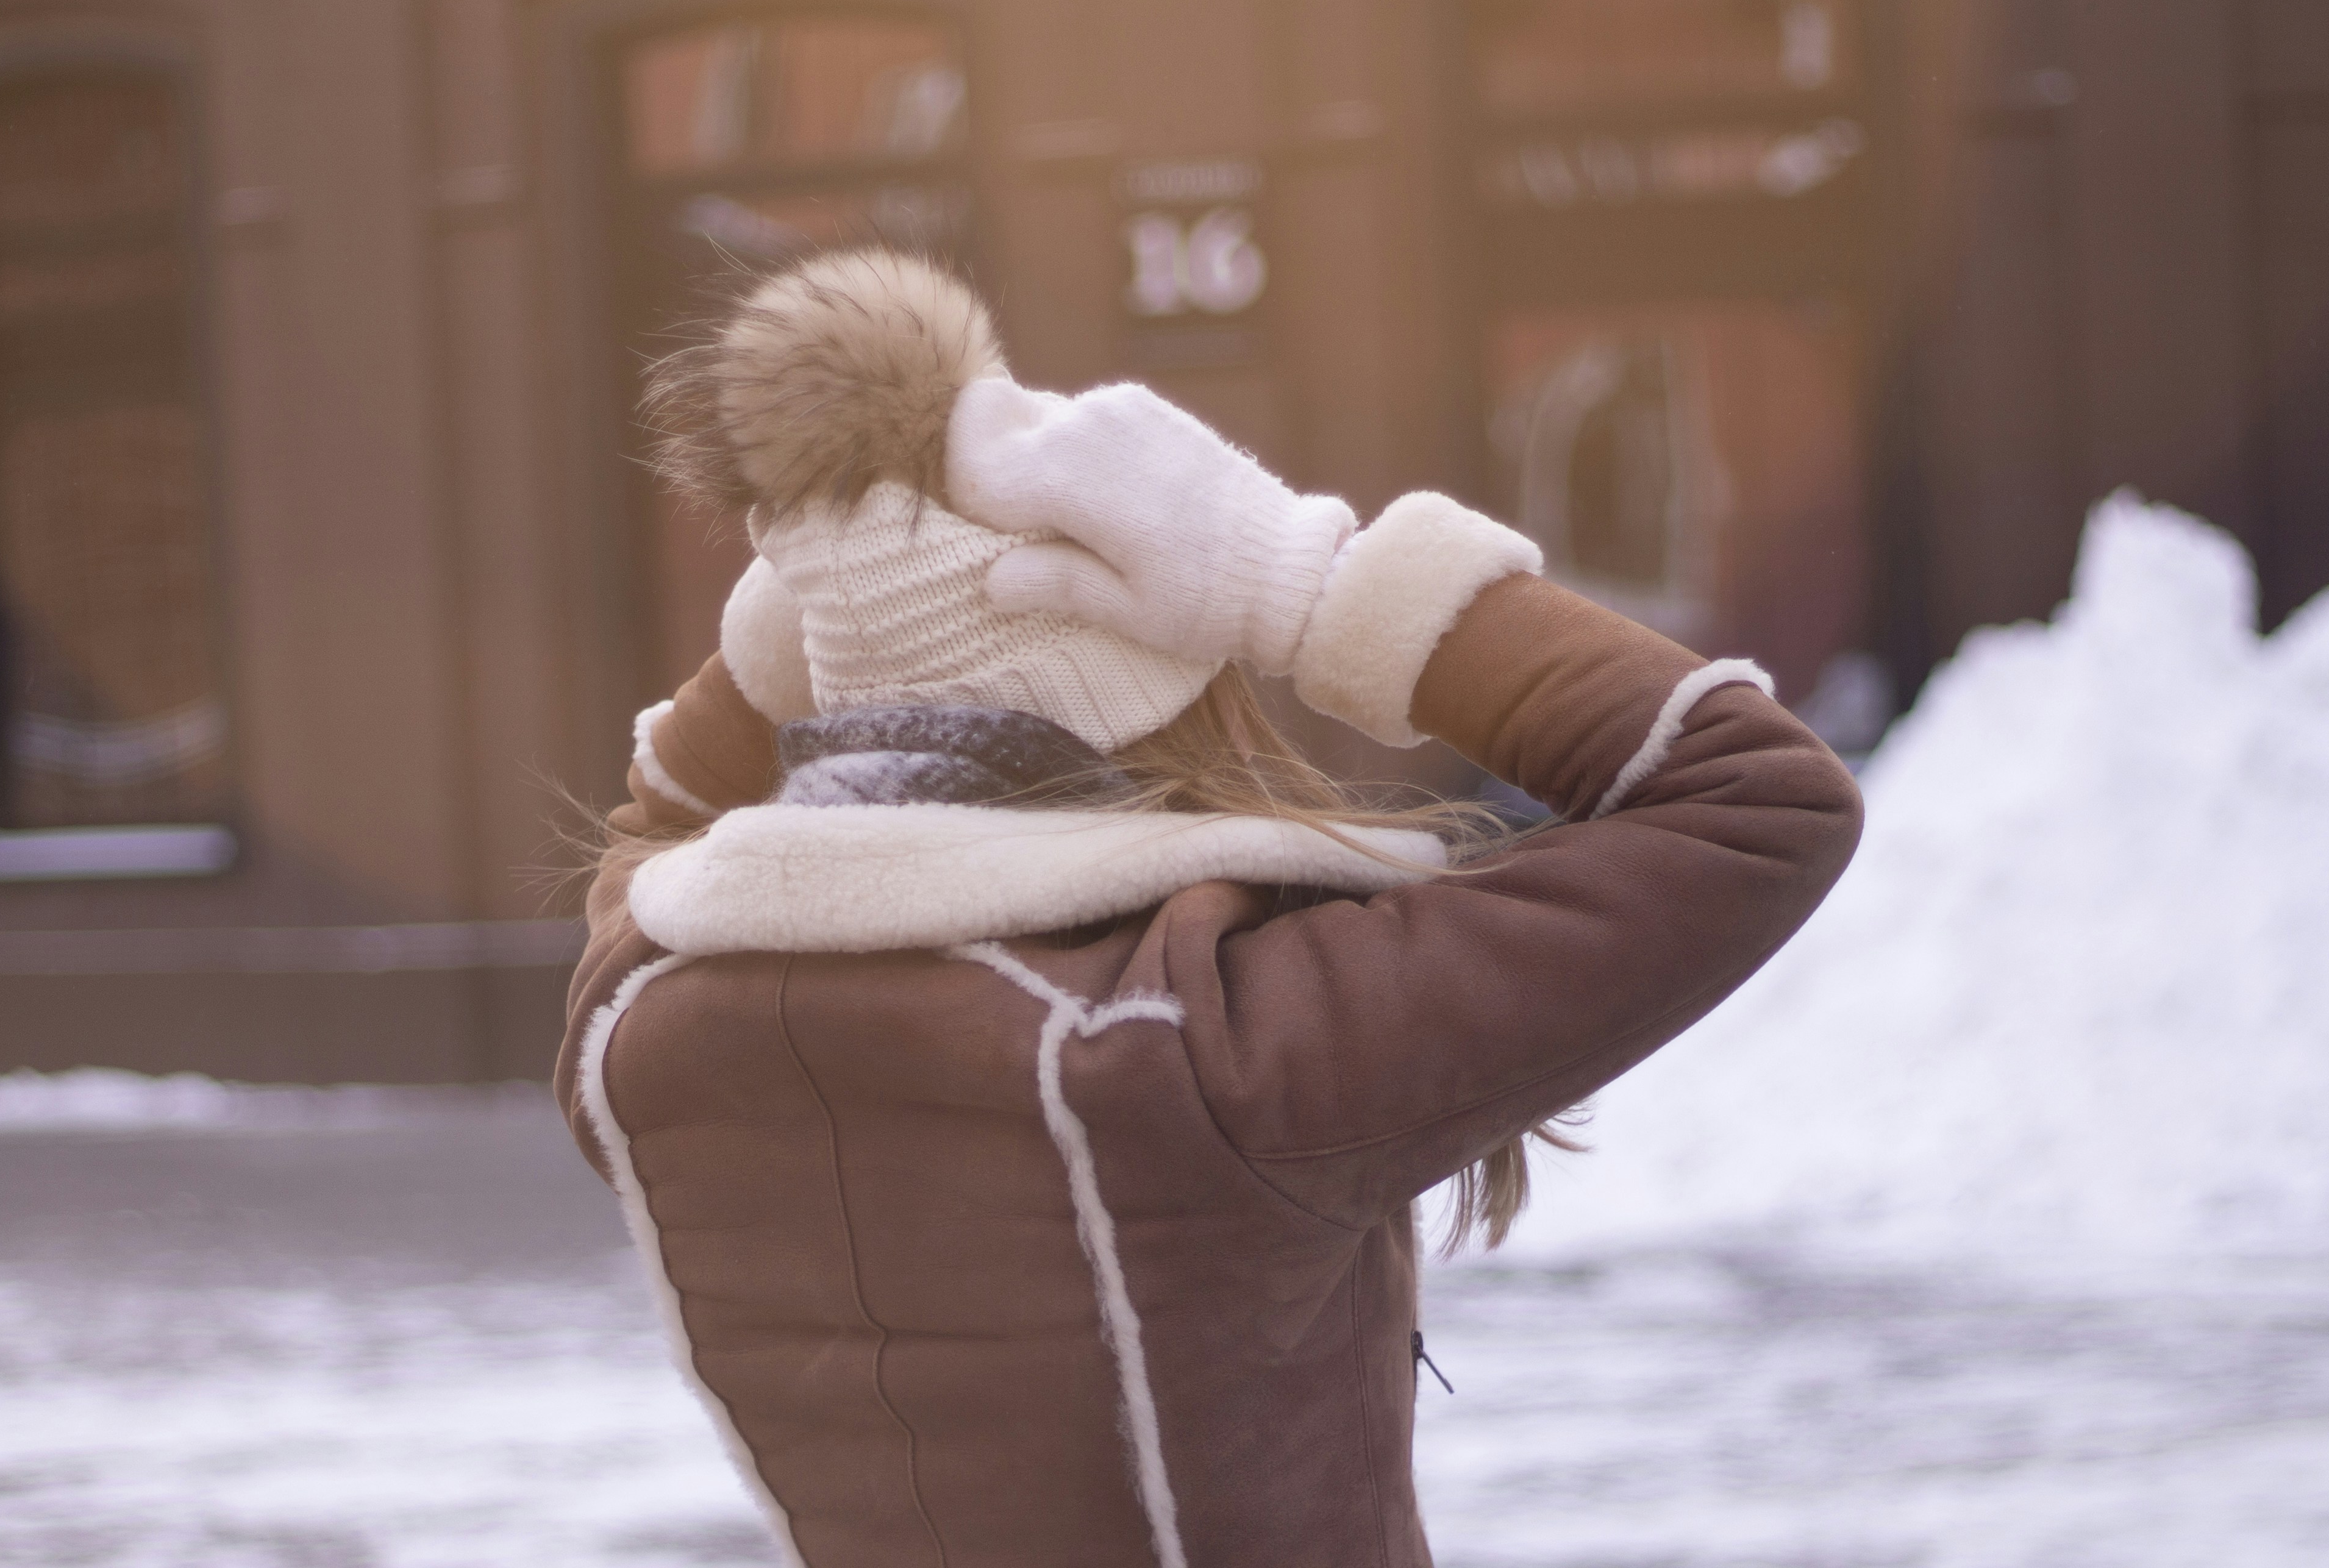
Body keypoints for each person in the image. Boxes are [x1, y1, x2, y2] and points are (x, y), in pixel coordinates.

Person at [559, 249, 1861, 1567]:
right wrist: (1299, 582)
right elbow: (1758, 799)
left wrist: (819, 623)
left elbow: (656, 823)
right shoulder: (1202, 1048)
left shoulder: (644, 1031)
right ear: (1173, 712)